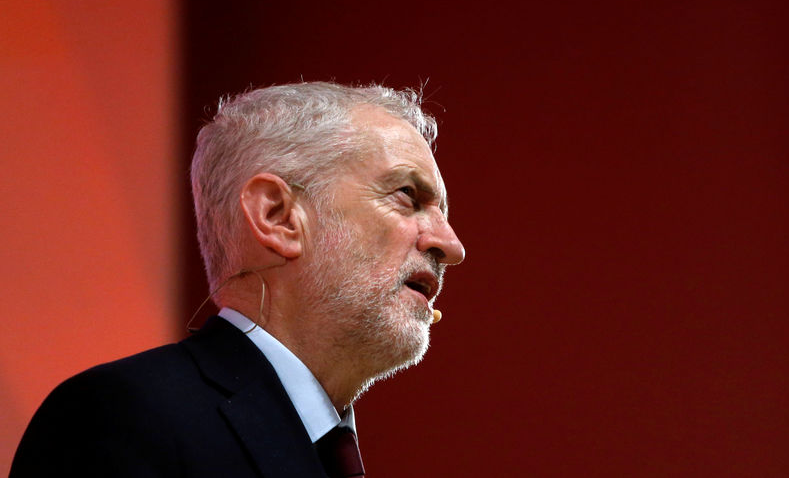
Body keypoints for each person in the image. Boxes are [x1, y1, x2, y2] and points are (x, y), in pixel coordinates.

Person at [10, 82, 465, 477]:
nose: (451, 245)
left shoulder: (319, 444)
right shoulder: (121, 418)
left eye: (442, 213)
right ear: (278, 216)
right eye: (408, 195)